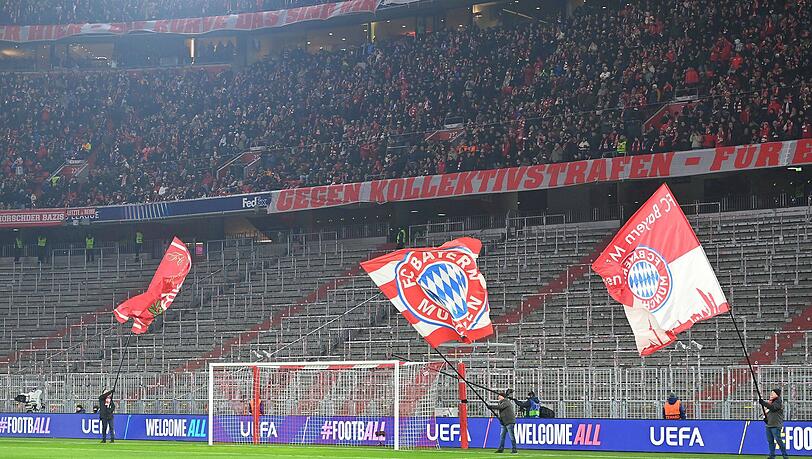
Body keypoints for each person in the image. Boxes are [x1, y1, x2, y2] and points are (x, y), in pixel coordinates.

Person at [759, 388, 789, 459]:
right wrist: (765, 418)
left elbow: (773, 408)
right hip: (769, 424)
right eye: (771, 393)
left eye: (773, 393)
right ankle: (772, 455)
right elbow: (769, 412)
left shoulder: (778, 401)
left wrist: (763, 403)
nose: (771, 394)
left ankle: (785, 456)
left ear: (777, 394)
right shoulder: (771, 402)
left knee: (779, 441)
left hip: (776, 425)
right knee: (770, 441)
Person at [488, 389, 517, 454]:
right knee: (502, 436)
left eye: (499, 396)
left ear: (502, 397)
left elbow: (500, 407)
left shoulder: (506, 402)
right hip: (504, 422)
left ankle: (514, 449)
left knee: (511, 436)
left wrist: (491, 406)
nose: (498, 397)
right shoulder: (503, 402)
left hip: (509, 421)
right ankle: (501, 449)